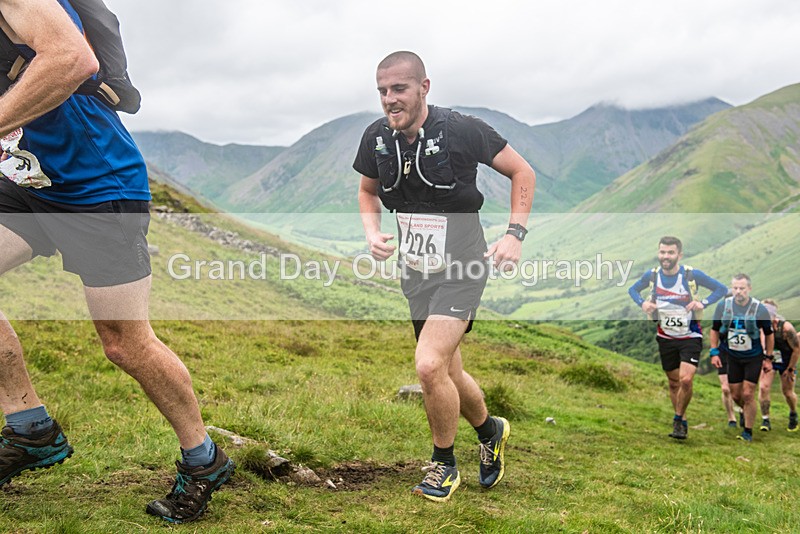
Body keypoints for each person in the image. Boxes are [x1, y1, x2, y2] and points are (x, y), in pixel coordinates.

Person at [0, 0, 232, 523]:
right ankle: (30, 430)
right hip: (29, 180)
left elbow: (71, 59)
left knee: (125, 343)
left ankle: (204, 459)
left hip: (97, 185)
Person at [354, 51, 535, 502]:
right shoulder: (376, 138)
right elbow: (366, 190)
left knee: (428, 364)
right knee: (448, 370)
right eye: (382, 91)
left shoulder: (461, 130)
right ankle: (491, 431)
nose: (389, 99)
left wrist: (514, 234)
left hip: (463, 267)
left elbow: (522, 171)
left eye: (399, 89)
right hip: (416, 273)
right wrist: (372, 231)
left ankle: (443, 466)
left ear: (424, 87)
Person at [628, 236, 727, 440]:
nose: (666, 256)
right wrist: (642, 304)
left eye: (670, 252)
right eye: (662, 252)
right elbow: (632, 289)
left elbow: (722, 289)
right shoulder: (652, 276)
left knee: (686, 379)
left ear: (679, 255)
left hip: (690, 335)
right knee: (674, 383)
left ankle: (678, 418)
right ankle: (680, 421)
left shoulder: (691, 275)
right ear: (658, 253)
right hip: (665, 337)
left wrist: (704, 303)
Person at [710, 274, 774, 442]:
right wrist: (714, 352)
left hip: (753, 357)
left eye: (742, 289)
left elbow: (769, 334)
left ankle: (748, 431)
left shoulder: (759, 309)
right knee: (736, 394)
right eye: (735, 288)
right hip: (732, 356)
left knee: (747, 394)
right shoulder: (723, 306)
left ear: (749, 289)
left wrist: (768, 358)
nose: (738, 292)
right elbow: (715, 329)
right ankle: (745, 412)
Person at [757, 299, 799, 432]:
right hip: (769, 359)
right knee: (763, 387)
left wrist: (791, 368)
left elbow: (797, 349)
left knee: (787, 392)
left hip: (787, 360)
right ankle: (765, 419)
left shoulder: (786, 328)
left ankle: (793, 413)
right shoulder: (760, 326)